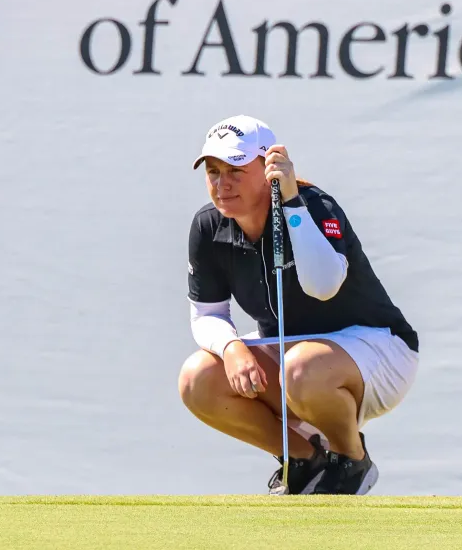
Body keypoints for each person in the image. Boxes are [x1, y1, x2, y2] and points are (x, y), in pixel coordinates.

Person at [178, 114, 419, 495]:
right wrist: (232, 348)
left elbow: (322, 286)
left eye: (236, 171)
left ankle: (351, 460)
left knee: (301, 368)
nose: (222, 184)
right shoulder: (208, 226)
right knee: (197, 378)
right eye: (213, 172)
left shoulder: (314, 206)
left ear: (269, 166)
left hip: (377, 349)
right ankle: (305, 460)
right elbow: (207, 315)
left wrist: (290, 202)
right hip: (295, 360)